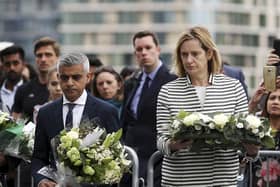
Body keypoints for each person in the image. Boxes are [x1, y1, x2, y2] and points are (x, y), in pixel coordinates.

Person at [156, 26, 259, 186]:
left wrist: (252, 149)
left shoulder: (233, 87)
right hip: (179, 180)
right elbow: (161, 141)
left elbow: (244, 137)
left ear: (209, 54)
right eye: (184, 54)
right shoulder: (168, 91)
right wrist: (174, 145)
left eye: (195, 54)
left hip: (221, 180)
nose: (189, 60)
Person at [31, 52, 120, 187]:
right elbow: (38, 157)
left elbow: (116, 156)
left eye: (76, 77)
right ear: (59, 77)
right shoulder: (45, 113)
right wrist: (42, 180)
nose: (70, 83)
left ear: (88, 77)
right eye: (64, 78)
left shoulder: (106, 112)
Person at [120, 30, 177, 186]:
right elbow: (126, 121)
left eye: (148, 47)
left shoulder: (173, 80)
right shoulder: (132, 82)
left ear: (157, 49)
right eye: (139, 49)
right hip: (130, 160)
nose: (144, 52)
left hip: (158, 160)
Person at [12, 36, 60, 122]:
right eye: (39, 55)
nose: (43, 59)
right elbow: (14, 123)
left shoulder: (67, 88)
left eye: (48, 55)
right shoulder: (23, 90)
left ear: (57, 57)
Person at [0, 45, 26, 114]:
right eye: (7, 64)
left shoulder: (32, 90)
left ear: (23, 64)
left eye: (15, 63)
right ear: (2, 67)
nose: (12, 68)